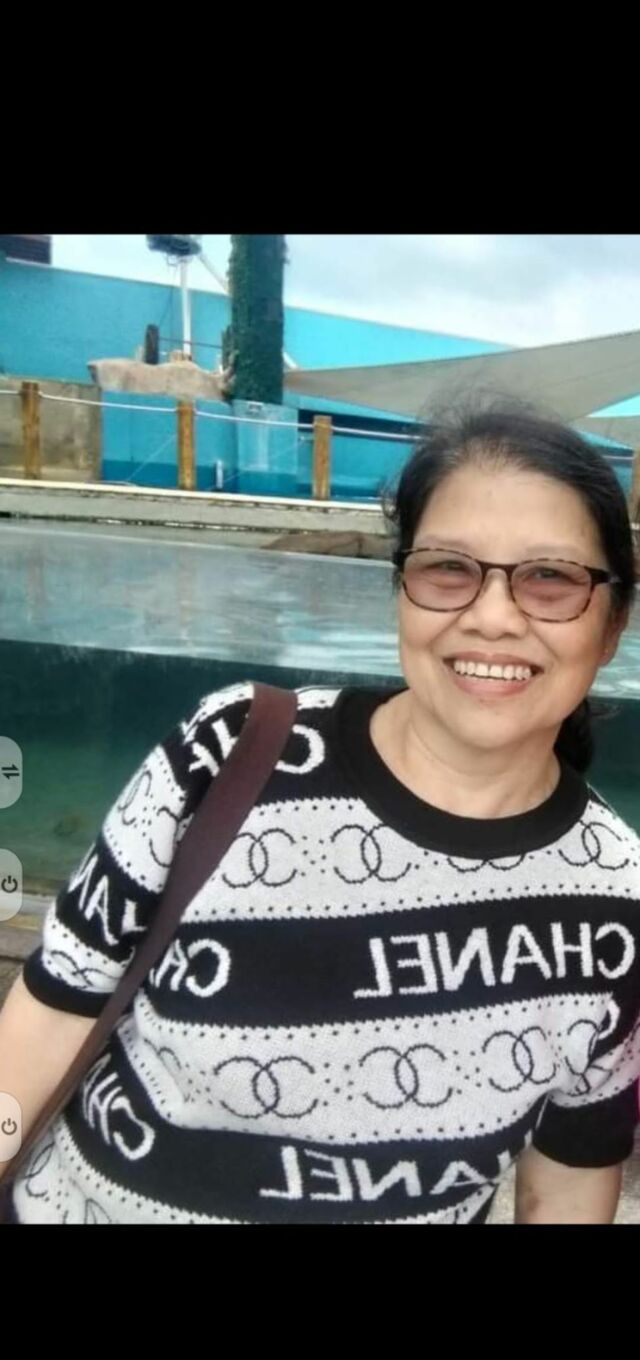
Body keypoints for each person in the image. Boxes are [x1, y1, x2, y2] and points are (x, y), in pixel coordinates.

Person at [2, 398, 639, 1224]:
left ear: (613, 624)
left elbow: (569, 1176)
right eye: (448, 568)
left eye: (550, 578)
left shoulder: (617, 900)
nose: (491, 616)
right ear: (401, 589)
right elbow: (52, 1013)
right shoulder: (230, 751)